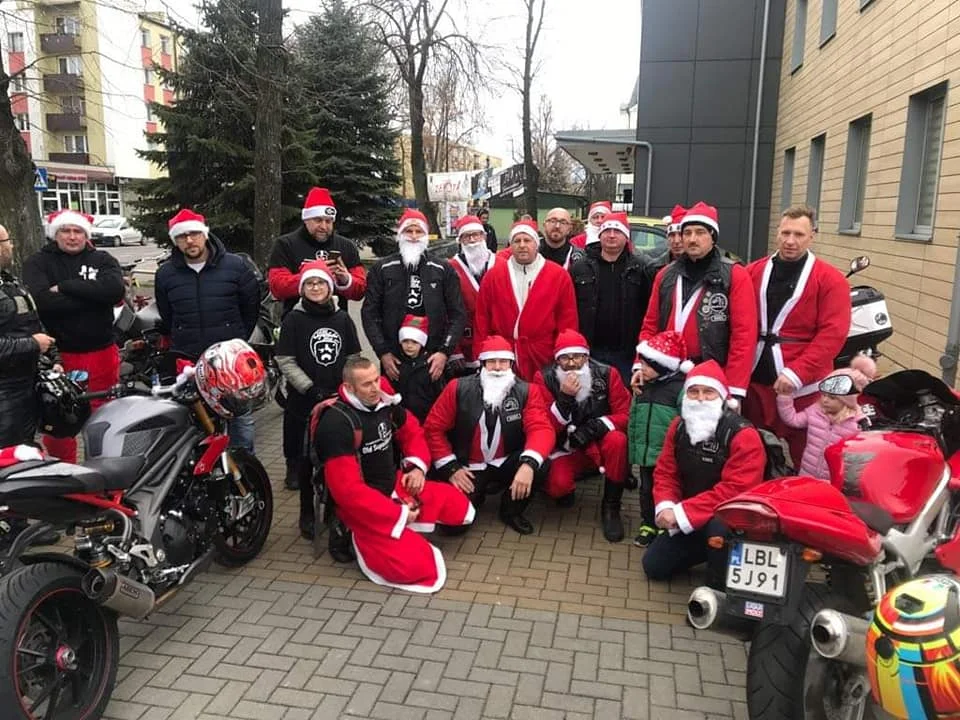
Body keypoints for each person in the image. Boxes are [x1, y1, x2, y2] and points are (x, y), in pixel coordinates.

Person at [311, 355, 475, 593]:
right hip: (362, 506)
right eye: (367, 384)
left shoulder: (384, 401)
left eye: (376, 380)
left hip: (393, 484)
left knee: (458, 506)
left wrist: (416, 468)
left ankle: (402, 525)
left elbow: (412, 431)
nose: (375, 388)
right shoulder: (337, 424)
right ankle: (345, 532)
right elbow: (348, 492)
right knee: (419, 567)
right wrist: (398, 514)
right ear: (349, 387)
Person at [744, 204, 852, 465]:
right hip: (755, 382)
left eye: (799, 234)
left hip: (805, 387)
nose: (790, 241)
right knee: (750, 452)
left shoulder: (830, 280)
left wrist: (798, 372)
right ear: (777, 233)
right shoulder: (753, 272)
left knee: (809, 456)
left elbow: (833, 334)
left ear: (812, 236)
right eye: (785, 233)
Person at [643, 360, 766, 588]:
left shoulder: (743, 435)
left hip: (730, 518)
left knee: (719, 529)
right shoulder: (678, 426)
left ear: (722, 397)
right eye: (694, 391)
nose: (700, 398)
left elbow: (735, 491)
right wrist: (666, 506)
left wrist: (683, 513)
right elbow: (666, 472)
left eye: (709, 392)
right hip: (691, 514)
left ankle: (719, 583)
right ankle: (708, 550)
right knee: (654, 566)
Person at [423, 336, 555, 535]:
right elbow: (433, 428)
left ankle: (511, 511)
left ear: (511, 364)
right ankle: (477, 494)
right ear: (482, 364)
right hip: (469, 465)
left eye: (503, 361)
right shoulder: (457, 388)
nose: (498, 368)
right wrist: (451, 468)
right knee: (452, 528)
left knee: (540, 464)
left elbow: (541, 428)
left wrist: (528, 464)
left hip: (506, 460)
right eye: (491, 361)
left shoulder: (527, 391)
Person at [23, 209, 125, 462]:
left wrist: (65, 287)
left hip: (102, 352)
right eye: (65, 231)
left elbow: (114, 291)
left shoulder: (103, 259)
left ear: (86, 235)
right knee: (59, 420)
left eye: (77, 231)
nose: (72, 236)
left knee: (105, 416)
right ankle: (64, 473)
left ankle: (102, 469)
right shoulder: (38, 262)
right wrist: (95, 298)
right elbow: (42, 302)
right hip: (60, 357)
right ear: (55, 234)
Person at [154, 209, 261, 451]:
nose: (189, 240)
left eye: (194, 234)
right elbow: (167, 314)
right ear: (175, 241)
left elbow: (250, 307)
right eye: (182, 236)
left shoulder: (236, 266)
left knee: (240, 420)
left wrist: (236, 338)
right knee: (196, 421)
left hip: (229, 361)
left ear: (205, 234)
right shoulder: (165, 274)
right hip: (188, 359)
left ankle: (245, 465)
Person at [638, 201, 757, 408]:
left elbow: (744, 337)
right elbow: (650, 325)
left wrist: (734, 389)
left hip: (711, 379)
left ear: (713, 236)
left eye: (700, 232)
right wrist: (640, 365)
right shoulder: (665, 275)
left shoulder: (735, 275)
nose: (692, 239)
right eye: (687, 233)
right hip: (665, 375)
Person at [276, 259, 361, 532]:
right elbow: (285, 360)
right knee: (304, 459)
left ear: (329, 287)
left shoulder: (342, 318)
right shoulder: (293, 319)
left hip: (336, 400)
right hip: (304, 400)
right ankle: (306, 510)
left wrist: (346, 386)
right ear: (302, 288)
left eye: (321, 282)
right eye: (310, 283)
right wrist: (309, 388)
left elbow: (353, 356)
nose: (315, 288)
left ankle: (334, 507)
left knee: (335, 457)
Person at [532, 330, 631, 542]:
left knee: (618, 441)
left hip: (598, 440)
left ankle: (611, 507)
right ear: (557, 359)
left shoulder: (607, 373)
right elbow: (544, 425)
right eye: (565, 358)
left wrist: (597, 426)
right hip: (565, 446)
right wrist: (564, 398)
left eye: (577, 356)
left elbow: (626, 414)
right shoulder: (544, 378)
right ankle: (577, 476)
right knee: (558, 486)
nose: (572, 363)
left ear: (586, 356)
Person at [362, 208, 466, 385]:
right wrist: (382, 352)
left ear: (426, 235)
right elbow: (369, 314)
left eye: (419, 231)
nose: (414, 236)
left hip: (432, 359)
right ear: (400, 234)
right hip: (394, 359)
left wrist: (444, 352)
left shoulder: (443, 269)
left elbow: (458, 314)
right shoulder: (382, 269)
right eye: (408, 231)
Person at [474, 219, 579, 381]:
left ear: (536, 244)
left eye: (527, 240)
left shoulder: (558, 275)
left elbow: (567, 320)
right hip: (503, 357)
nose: (522, 245)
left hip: (543, 355)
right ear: (510, 245)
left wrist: (566, 353)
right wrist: (482, 352)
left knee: (542, 395)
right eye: (517, 241)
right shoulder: (493, 276)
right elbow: (482, 319)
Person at [570, 211, 653, 383]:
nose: (612, 235)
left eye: (618, 231)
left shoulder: (642, 268)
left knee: (624, 395)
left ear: (626, 236)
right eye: (607, 231)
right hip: (590, 350)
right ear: (600, 235)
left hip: (627, 352)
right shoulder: (580, 268)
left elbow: (649, 310)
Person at [627, 330, 692, 547]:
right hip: (646, 452)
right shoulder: (642, 384)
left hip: (667, 455)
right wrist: (634, 448)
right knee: (646, 490)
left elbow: (686, 423)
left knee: (668, 490)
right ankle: (648, 524)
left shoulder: (680, 390)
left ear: (662, 366)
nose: (641, 368)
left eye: (647, 365)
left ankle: (667, 525)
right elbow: (634, 417)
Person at [0, 224, 61, 448]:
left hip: (24, 387)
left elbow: (32, 323)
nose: (12, 246)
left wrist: (53, 359)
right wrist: (33, 344)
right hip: (5, 395)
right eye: (7, 241)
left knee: (23, 449)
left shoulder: (9, 282)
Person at [268, 186, 367, 316]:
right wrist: (314, 273)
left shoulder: (346, 246)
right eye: (318, 220)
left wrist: (345, 280)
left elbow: (361, 290)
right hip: (296, 320)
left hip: (336, 321)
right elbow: (276, 287)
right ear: (306, 220)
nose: (324, 226)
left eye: (328, 221)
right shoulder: (285, 244)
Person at [776, 364, 872, 481]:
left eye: (832, 397)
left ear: (846, 401)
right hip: (807, 474)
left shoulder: (858, 424)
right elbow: (793, 420)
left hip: (834, 480)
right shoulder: (815, 411)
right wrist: (785, 397)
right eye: (824, 395)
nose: (825, 400)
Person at [447, 214, 500, 373]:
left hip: (498, 343)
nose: (472, 240)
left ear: (484, 236)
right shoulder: (450, 268)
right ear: (460, 240)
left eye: (476, 235)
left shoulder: (502, 264)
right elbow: (446, 311)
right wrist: (454, 350)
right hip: (465, 345)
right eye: (466, 236)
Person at [395, 314, 443, 423]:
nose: (409, 346)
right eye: (405, 341)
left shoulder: (431, 365)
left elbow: (439, 393)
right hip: (404, 418)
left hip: (427, 417)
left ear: (422, 343)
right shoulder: (397, 363)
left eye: (414, 342)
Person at [648, 204, 686, 276]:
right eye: (672, 235)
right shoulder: (654, 268)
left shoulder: (702, 268)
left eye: (681, 234)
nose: (676, 241)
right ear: (667, 237)